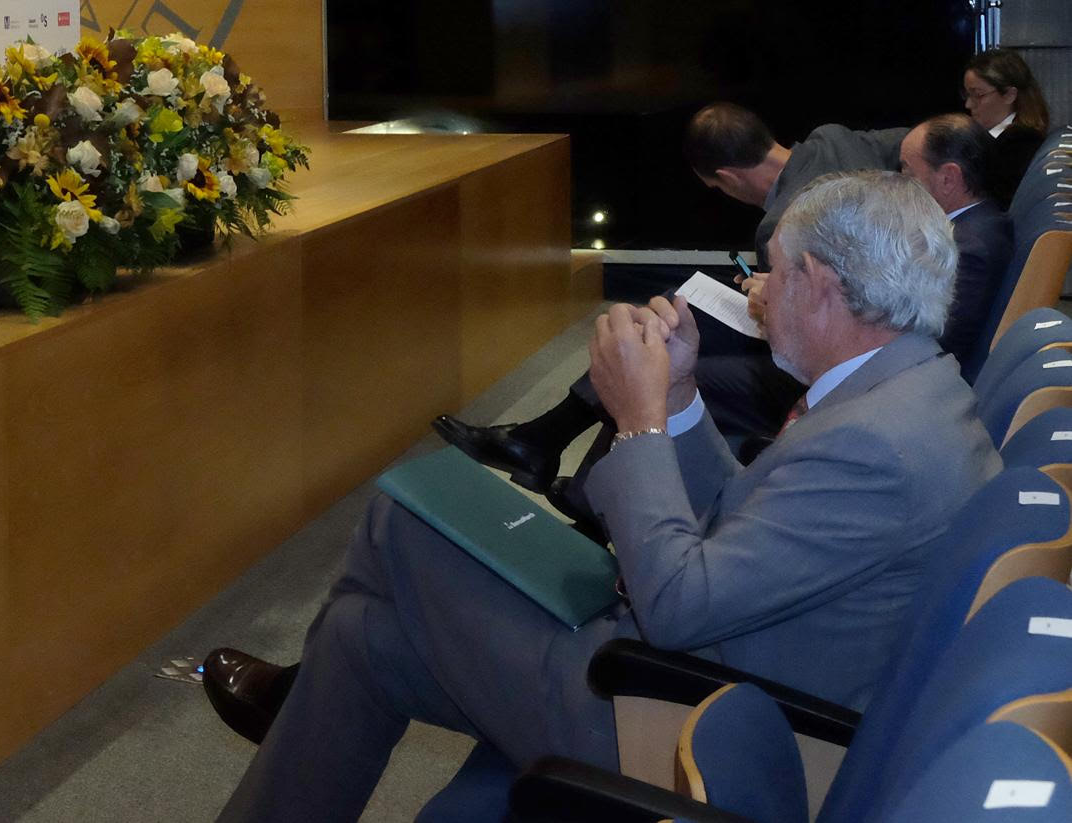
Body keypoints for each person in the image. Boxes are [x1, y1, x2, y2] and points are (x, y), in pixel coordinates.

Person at [206, 171, 998, 822]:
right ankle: (298, 694)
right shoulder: (913, 391)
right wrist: (679, 395)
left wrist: (640, 420)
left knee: (400, 518)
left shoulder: (877, 444)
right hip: (709, 675)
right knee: (359, 636)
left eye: (774, 272)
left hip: (676, 719)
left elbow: (679, 604)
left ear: (819, 284)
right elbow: (750, 517)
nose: (759, 293)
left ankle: (291, 694)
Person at [434, 103, 905, 492]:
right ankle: (552, 452)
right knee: (677, 307)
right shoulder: (834, 138)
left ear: (727, 177)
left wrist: (766, 299)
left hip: (831, 358)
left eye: (717, 189)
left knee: (664, 352)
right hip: (883, 313)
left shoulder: (780, 226)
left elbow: (795, 335)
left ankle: (558, 460)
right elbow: (922, 143)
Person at [898, 113, 1014, 380]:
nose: (900, 181)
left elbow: (937, 345)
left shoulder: (970, 250)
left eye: (907, 170)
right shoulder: (979, 223)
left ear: (948, 178)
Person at [964, 49, 1051, 207]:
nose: (968, 104)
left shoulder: (1020, 145)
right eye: (967, 95)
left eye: (978, 95)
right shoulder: (995, 140)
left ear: (1010, 95)